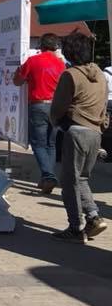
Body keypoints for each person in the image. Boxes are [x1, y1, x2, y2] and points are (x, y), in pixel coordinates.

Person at [49, 32, 109, 242]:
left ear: (69, 53)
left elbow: (58, 106)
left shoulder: (70, 75)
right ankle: (93, 217)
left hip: (75, 131)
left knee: (69, 182)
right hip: (95, 132)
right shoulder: (100, 74)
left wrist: (55, 121)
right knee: (81, 178)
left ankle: (75, 228)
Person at [13, 34, 66, 194]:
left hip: (38, 105)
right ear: (55, 47)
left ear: (41, 46)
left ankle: (48, 175)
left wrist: (17, 72)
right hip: (56, 106)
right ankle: (47, 177)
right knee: (51, 144)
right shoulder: (61, 64)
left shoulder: (32, 61)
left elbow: (18, 81)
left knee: (38, 143)